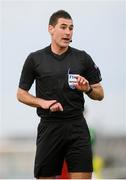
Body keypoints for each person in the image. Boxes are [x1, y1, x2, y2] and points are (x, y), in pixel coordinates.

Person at [17, 10, 104, 179]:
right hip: (49, 127)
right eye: (63, 27)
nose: (68, 32)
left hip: (77, 126)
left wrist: (87, 89)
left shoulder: (82, 58)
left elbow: (100, 93)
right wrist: (42, 103)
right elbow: (21, 94)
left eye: (71, 28)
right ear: (51, 29)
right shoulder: (35, 59)